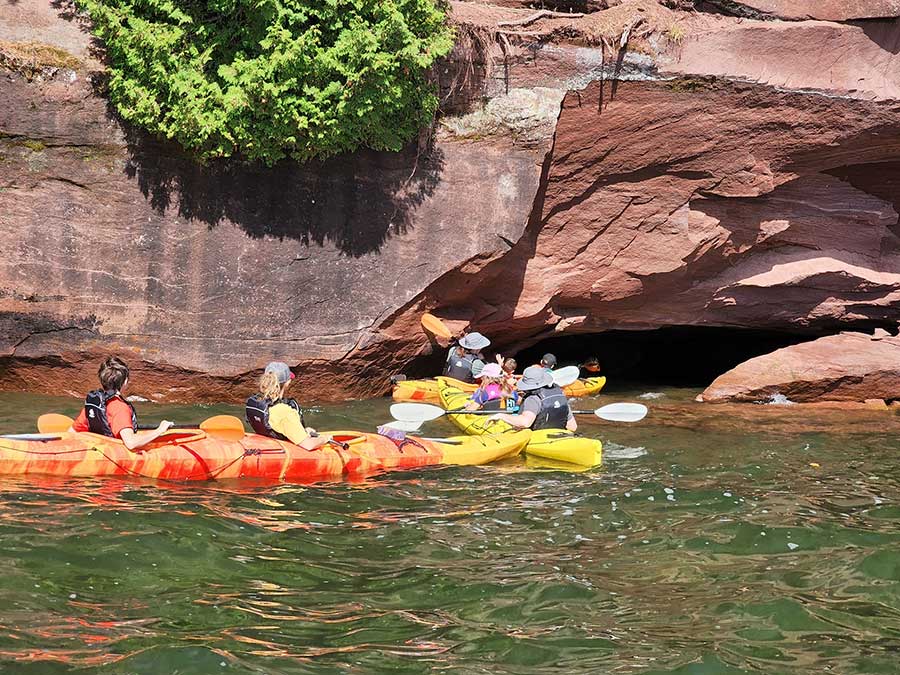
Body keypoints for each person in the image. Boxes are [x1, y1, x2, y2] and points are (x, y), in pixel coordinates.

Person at [70, 356, 174, 452]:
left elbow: (71, 433)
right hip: (114, 453)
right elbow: (131, 443)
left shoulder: (94, 404)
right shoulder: (120, 408)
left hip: (99, 450)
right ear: (125, 382)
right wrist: (160, 430)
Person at [245, 362, 330, 450]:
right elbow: (308, 445)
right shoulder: (285, 412)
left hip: (267, 444)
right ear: (287, 383)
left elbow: (276, 428)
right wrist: (325, 438)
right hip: (282, 452)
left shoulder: (257, 402)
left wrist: (304, 431)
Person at [489, 365, 576, 432]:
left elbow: (525, 423)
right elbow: (572, 427)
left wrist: (501, 416)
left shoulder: (532, 399)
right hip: (558, 436)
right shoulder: (560, 395)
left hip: (538, 438)